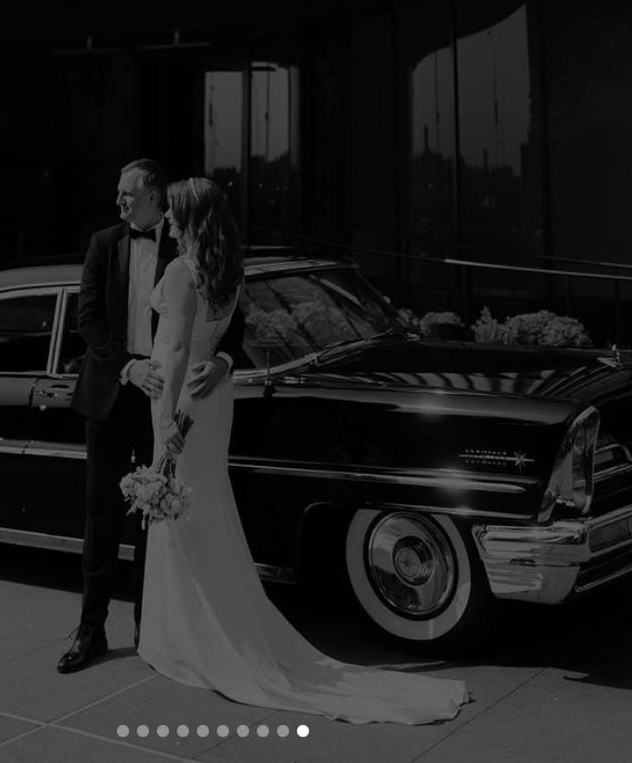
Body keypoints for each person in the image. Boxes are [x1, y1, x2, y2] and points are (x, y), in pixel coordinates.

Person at [137, 177, 469, 726]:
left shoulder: (179, 271)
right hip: (214, 400)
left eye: (173, 214)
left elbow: (173, 347)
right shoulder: (227, 267)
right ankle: (204, 629)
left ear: (190, 219)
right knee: (206, 510)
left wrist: (169, 420)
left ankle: (191, 641)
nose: (167, 222)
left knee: (182, 510)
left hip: (182, 399)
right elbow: (221, 341)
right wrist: (218, 366)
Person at [58, 158, 245, 674]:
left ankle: (152, 629)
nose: (118, 200)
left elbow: (234, 320)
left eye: (126, 192)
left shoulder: (189, 243)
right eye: (118, 193)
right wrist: (128, 369)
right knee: (101, 514)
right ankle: (90, 632)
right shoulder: (103, 244)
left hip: (169, 401)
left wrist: (225, 360)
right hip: (116, 393)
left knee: (160, 517)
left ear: (155, 195)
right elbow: (88, 320)